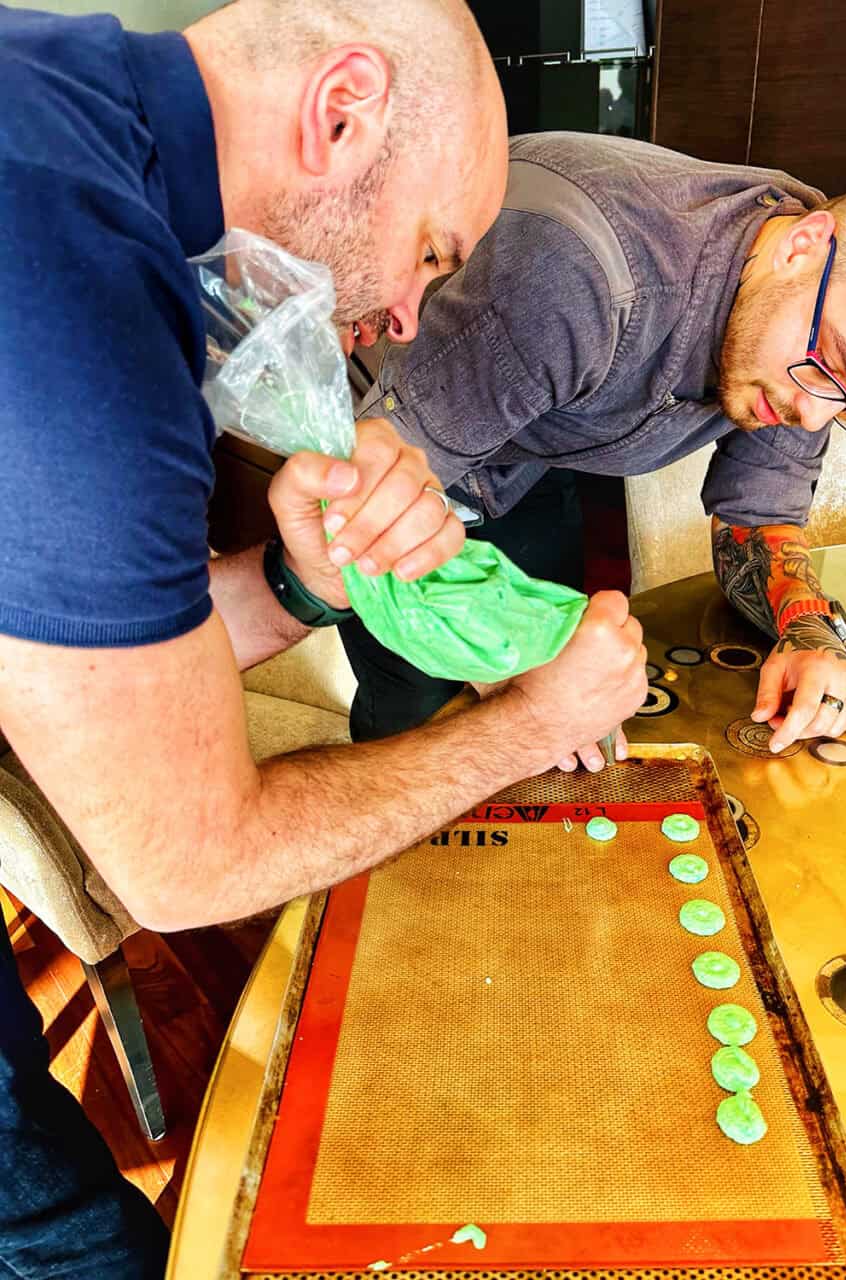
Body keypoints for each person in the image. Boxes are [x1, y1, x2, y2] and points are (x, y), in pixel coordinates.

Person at [0, 2, 649, 1275]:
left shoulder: (68, 101)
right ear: (340, 109)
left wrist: (304, 582)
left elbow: (98, 676)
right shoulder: (71, 298)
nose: (409, 315)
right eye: (429, 252)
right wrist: (531, 724)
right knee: (71, 1236)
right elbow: (185, 863)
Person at [347, 128, 846, 757]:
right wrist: (510, 669)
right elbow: (365, 505)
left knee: (550, 743)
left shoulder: (809, 297)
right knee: (419, 742)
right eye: (830, 365)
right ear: (801, 247)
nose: (814, 419)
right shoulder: (573, 278)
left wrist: (813, 637)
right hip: (386, 440)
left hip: (533, 453)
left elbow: (758, 521)